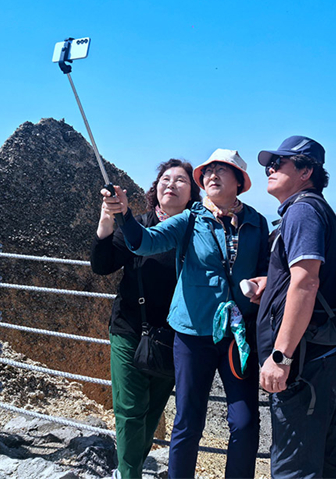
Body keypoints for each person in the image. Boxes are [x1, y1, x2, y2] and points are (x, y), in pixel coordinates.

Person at [108, 149, 269, 479]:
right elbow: (145, 242)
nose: (213, 175)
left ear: (239, 181)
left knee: (244, 422)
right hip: (192, 335)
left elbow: (268, 269)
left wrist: (263, 282)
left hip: (237, 336)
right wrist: (124, 215)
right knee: (188, 420)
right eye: (208, 170)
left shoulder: (256, 223)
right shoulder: (190, 219)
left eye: (222, 170)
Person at [90, 158, 201, 479]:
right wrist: (107, 219)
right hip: (129, 329)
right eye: (165, 179)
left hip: (175, 336)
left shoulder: (198, 233)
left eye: (181, 180)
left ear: (192, 193)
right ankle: (128, 475)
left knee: (152, 412)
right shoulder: (138, 225)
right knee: (130, 410)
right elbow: (102, 265)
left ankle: (129, 470)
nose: (171, 184)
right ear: (156, 188)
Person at [254, 136, 336, 479]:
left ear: (306, 171)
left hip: (303, 364)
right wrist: (271, 287)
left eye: (279, 163)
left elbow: (307, 283)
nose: (270, 168)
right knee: (326, 464)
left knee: (293, 469)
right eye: (269, 163)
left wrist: (281, 358)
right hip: (321, 358)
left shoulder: (303, 211)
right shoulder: (314, 209)